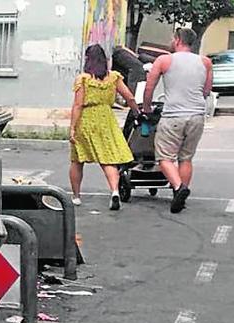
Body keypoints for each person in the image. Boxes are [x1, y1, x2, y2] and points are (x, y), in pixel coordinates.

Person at [143, 28, 213, 214]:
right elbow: (206, 91)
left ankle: (178, 187)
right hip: (197, 115)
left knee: (164, 157)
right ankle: (180, 197)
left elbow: (150, 86)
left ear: (177, 40)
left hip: (174, 114)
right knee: (186, 157)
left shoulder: (164, 60)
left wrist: (147, 107)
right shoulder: (205, 62)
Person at [69, 44, 140, 211]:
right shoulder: (114, 77)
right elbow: (129, 97)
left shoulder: (84, 79)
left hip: (86, 119)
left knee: (77, 160)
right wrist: (137, 111)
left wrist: (72, 127)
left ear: (88, 59)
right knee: (107, 159)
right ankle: (114, 191)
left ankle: (76, 196)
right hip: (106, 119)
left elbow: (78, 105)